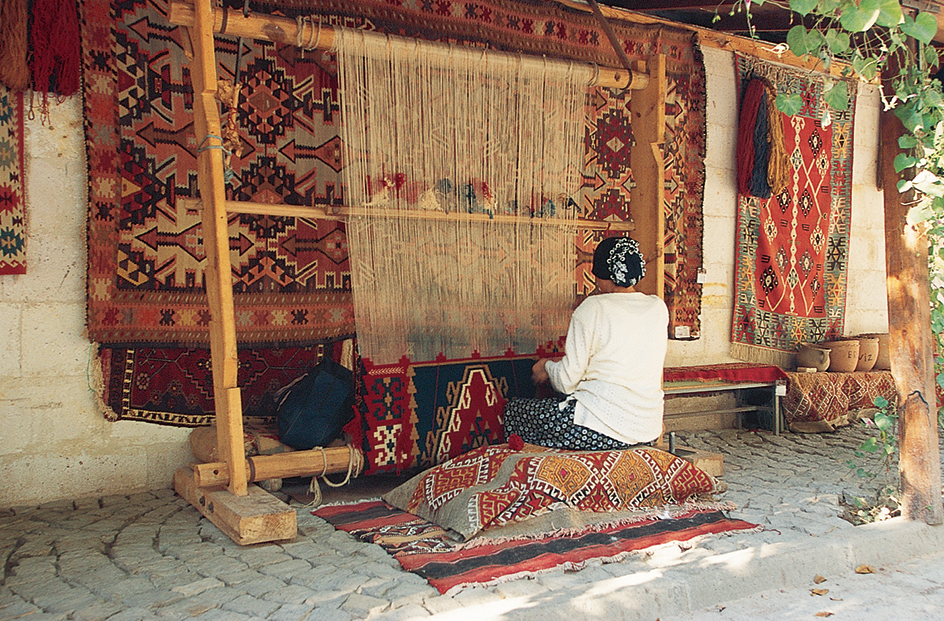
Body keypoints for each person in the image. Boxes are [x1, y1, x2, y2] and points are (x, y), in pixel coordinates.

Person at [503, 236, 669, 450]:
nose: (595, 279)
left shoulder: (592, 308)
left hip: (597, 429)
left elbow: (566, 381)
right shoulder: (657, 307)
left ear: (606, 275)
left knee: (514, 412)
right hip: (647, 428)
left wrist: (546, 366)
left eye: (597, 273)